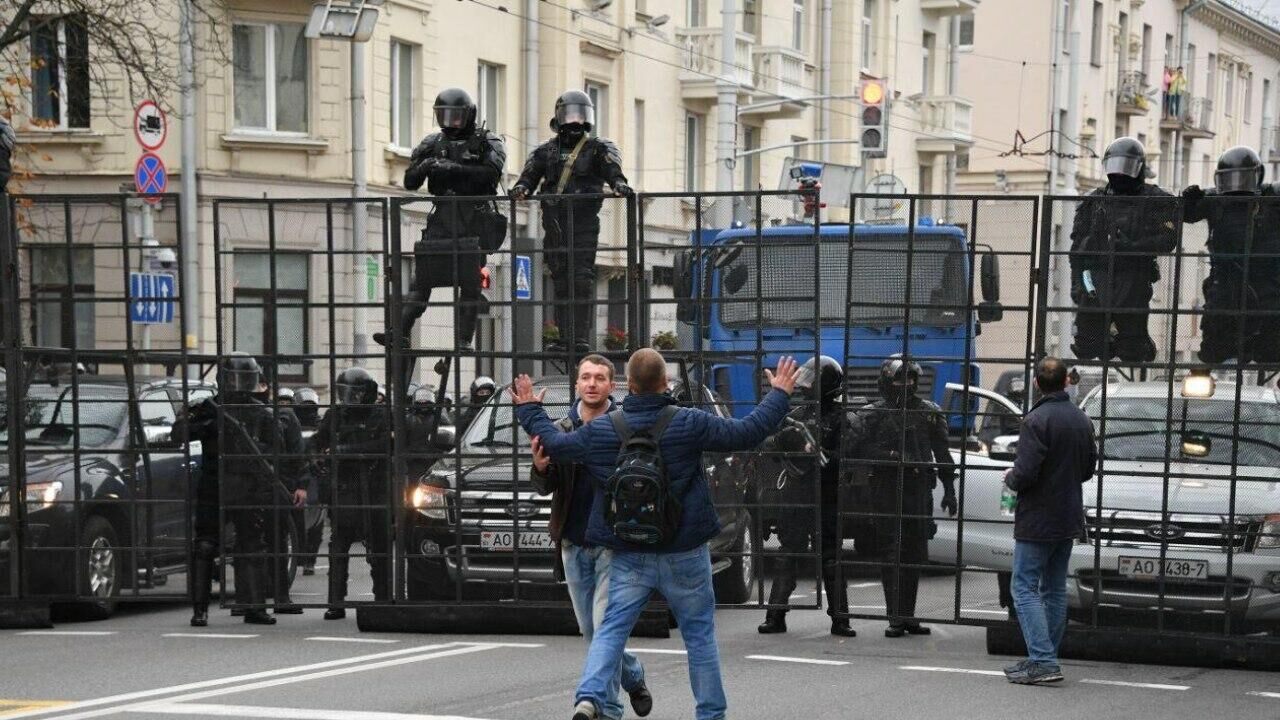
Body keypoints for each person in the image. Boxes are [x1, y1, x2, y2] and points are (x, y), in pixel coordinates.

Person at [512, 349, 798, 720]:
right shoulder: (690, 422)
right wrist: (779, 393)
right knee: (699, 638)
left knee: (611, 629)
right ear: (665, 383)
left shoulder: (602, 429)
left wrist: (530, 410)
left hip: (629, 551)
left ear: (627, 385)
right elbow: (747, 431)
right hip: (685, 551)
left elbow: (555, 444)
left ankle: (589, 696)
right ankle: (711, 714)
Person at [528, 355, 652, 720]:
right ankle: (633, 674)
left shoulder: (625, 428)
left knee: (604, 627)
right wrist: (540, 469)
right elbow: (544, 486)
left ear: (612, 385)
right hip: (572, 540)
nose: (592, 383)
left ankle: (606, 709)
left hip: (613, 544)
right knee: (590, 630)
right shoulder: (560, 429)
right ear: (578, 385)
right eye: (586, 377)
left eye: (600, 377)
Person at [179, 353, 308, 626]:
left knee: (253, 547)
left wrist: (253, 446)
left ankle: (254, 607)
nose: (238, 384)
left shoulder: (262, 413)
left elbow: (278, 452)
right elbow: (178, 433)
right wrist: (210, 423)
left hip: (249, 486)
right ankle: (200, 610)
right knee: (205, 546)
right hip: (216, 485)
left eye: (243, 378)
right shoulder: (208, 408)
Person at [374, 88, 506, 353]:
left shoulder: (486, 142)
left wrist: (455, 169)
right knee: (421, 279)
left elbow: (491, 175)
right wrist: (425, 166)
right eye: (444, 116)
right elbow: (410, 182)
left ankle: (464, 340)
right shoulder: (433, 143)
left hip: (473, 218)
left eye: (455, 117)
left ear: (468, 116)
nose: (450, 122)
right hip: (442, 217)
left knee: (470, 281)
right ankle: (398, 332)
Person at [510, 90, 632, 353]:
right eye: (570, 114)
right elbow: (528, 177)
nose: (574, 120)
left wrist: (619, 184)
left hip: (584, 220)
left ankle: (580, 338)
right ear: (560, 117)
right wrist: (520, 188)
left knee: (582, 278)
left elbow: (613, 171)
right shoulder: (545, 151)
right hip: (554, 223)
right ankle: (565, 337)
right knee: (561, 279)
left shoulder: (599, 148)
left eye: (580, 114)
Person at [1001, 357, 1097, 685]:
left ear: (1037, 384)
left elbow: (1026, 472)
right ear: (1067, 382)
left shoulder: (1036, 420)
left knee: (1024, 587)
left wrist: (1011, 478)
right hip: (1068, 514)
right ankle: (1045, 657)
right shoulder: (1082, 420)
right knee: (1054, 589)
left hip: (1038, 517)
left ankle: (1042, 660)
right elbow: (1088, 469)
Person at [847, 355, 957, 638]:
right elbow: (854, 450)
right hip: (886, 489)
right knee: (892, 553)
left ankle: (908, 615)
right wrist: (891, 457)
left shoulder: (929, 412)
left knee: (915, 553)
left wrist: (950, 489)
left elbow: (943, 454)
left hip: (919, 491)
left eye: (910, 379)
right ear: (887, 381)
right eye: (899, 378)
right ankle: (895, 616)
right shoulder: (872, 414)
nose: (905, 384)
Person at [756, 355, 857, 637]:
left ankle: (841, 618)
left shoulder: (842, 418)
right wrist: (784, 441)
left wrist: (825, 455)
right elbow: (766, 444)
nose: (804, 388)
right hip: (797, 490)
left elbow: (849, 458)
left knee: (831, 556)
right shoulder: (796, 416)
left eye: (811, 383)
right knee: (788, 553)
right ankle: (775, 615)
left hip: (827, 492)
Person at [1069, 137, 1179, 363]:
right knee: (1085, 346)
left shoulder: (1155, 199)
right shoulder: (1094, 201)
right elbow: (1076, 250)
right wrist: (1077, 284)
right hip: (1096, 276)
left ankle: (1134, 343)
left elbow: (1167, 240)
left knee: (1133, 349)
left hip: (1134, 275)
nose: (1120, 174)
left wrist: (1133, 246)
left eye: (1125, 167)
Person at [1182, 146, 1280, 363]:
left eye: (1242, 178)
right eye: (1230, 179)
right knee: (1213, 346)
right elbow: (1187, 215)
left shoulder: (1271, 197)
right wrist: (1189, 200)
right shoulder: (1215, 200)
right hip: (1226, 278)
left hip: (1265, 279)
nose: (1237, 185)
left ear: (1257, 176)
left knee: (1271, 344)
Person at [308, 367, 393, 619]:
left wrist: (343, 451)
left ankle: (383, 598)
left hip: (374, 488)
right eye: (343, 393)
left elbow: (383, 445)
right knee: (339, 544)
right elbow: (317, 440)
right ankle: (336, 601)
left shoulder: (381, 415)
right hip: (345, 487)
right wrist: (314, 456)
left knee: (378, 546)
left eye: (352, 394)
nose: (347, 399)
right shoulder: (336, 415)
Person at [404, 385, 454, 479]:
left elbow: (449, 436)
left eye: (426, 398)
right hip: (415, 460)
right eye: (420, 398)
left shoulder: (439, 417)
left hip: (434, 458)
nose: (423, 401)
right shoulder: (409, 419)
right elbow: (402, 440)